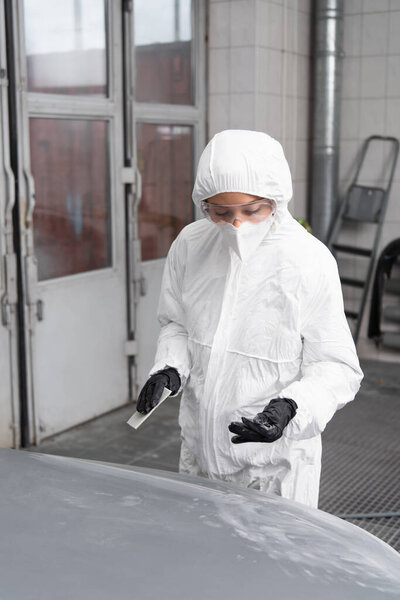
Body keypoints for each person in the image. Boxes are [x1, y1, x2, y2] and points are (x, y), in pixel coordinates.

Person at [137, 129, 363, 508]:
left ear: (275, 200)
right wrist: (170, 369)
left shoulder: (307, 260)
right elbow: (177, 324)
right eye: (221, 212)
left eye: (252, 210)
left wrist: (290, 407)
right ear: (203, 204)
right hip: (200, 455)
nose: (236, 224)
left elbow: (336, 366)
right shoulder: (192, 245)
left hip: (272, 470)